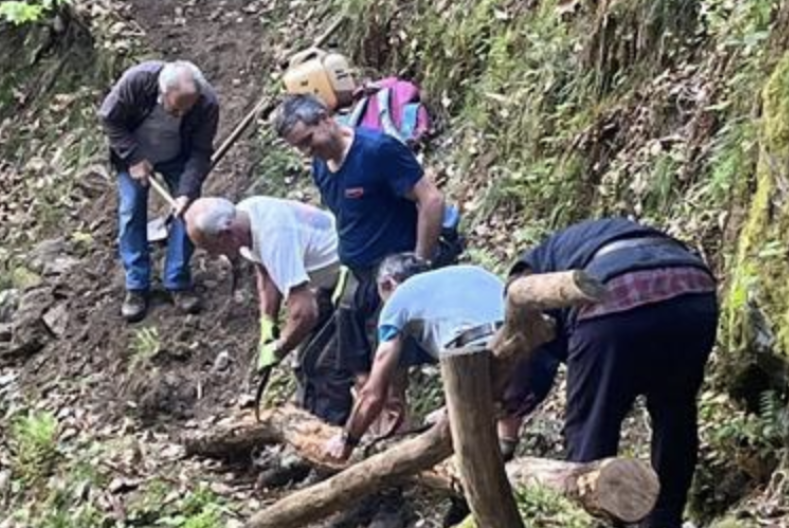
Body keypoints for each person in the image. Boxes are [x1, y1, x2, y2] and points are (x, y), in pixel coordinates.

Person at [510, 218, 718, 528]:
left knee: (590, 429)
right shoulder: (585, 240)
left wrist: (514, 401)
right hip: (693, 289)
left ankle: (588, 521)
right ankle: (664, 520)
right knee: (676, 413)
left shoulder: (526, 278)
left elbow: (529, 355)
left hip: (613, 298)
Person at [273, 94, 446, 432]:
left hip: (391, 274)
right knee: (348, 363)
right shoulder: (321, 168)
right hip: (356, 277)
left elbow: (431, 198)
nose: (308, 151)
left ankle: (392, 450)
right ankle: (349, 440)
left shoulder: (377, 151)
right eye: (300, 148)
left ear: (325, 118)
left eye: (309, 140)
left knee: (389, 368)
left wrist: (419, 264)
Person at [323, 254, 556, 462]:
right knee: (504, 374)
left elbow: (374, 392)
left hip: (476, 364)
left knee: (466, 439)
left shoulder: (399, 298)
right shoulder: (472, 273)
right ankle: (505, 450)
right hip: (539, 360)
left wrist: (347, 440)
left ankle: (478, 479)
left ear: (387, 284)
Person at [183, 196, 353, 425]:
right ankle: (306, 423)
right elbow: (265, 273)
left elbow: (304, 312)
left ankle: (329, 438)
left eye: (214, 248)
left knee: (325, 365)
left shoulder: (274, 235)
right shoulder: (244, 217)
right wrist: (267, 322)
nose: (215, 256)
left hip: (356, 274)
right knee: (303, 360)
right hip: (329, 279)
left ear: (226, 234)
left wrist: (278, 348)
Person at [100, 60, 220, 322]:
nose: (179, 115)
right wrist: (133, 157)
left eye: (186, 111)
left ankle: (177, 280)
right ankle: (136, 286)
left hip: (179, 157)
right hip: (135, 154)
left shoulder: (207, 103)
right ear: (162, 92)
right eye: (175, 109)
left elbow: (201, 152)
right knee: (131, 209)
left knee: (187, 212)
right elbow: (109, 119)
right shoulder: (138, 81)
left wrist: (186, 191)